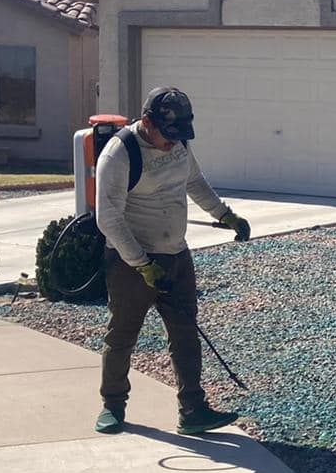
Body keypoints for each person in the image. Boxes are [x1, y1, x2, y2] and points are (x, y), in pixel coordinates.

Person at [93, 85, 251, 435]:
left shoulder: (179, 144)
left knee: (185, 334)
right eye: (167, 135)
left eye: (179, 136)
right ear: (147, 121)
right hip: (130, 264)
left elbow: (194, 181)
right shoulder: (119, 154)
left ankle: (193, 411)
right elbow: (109, 219)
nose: (173, 143)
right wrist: (142, 264)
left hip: (176, 255)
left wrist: (226, 215)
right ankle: (113, 406)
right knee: (122, 335)